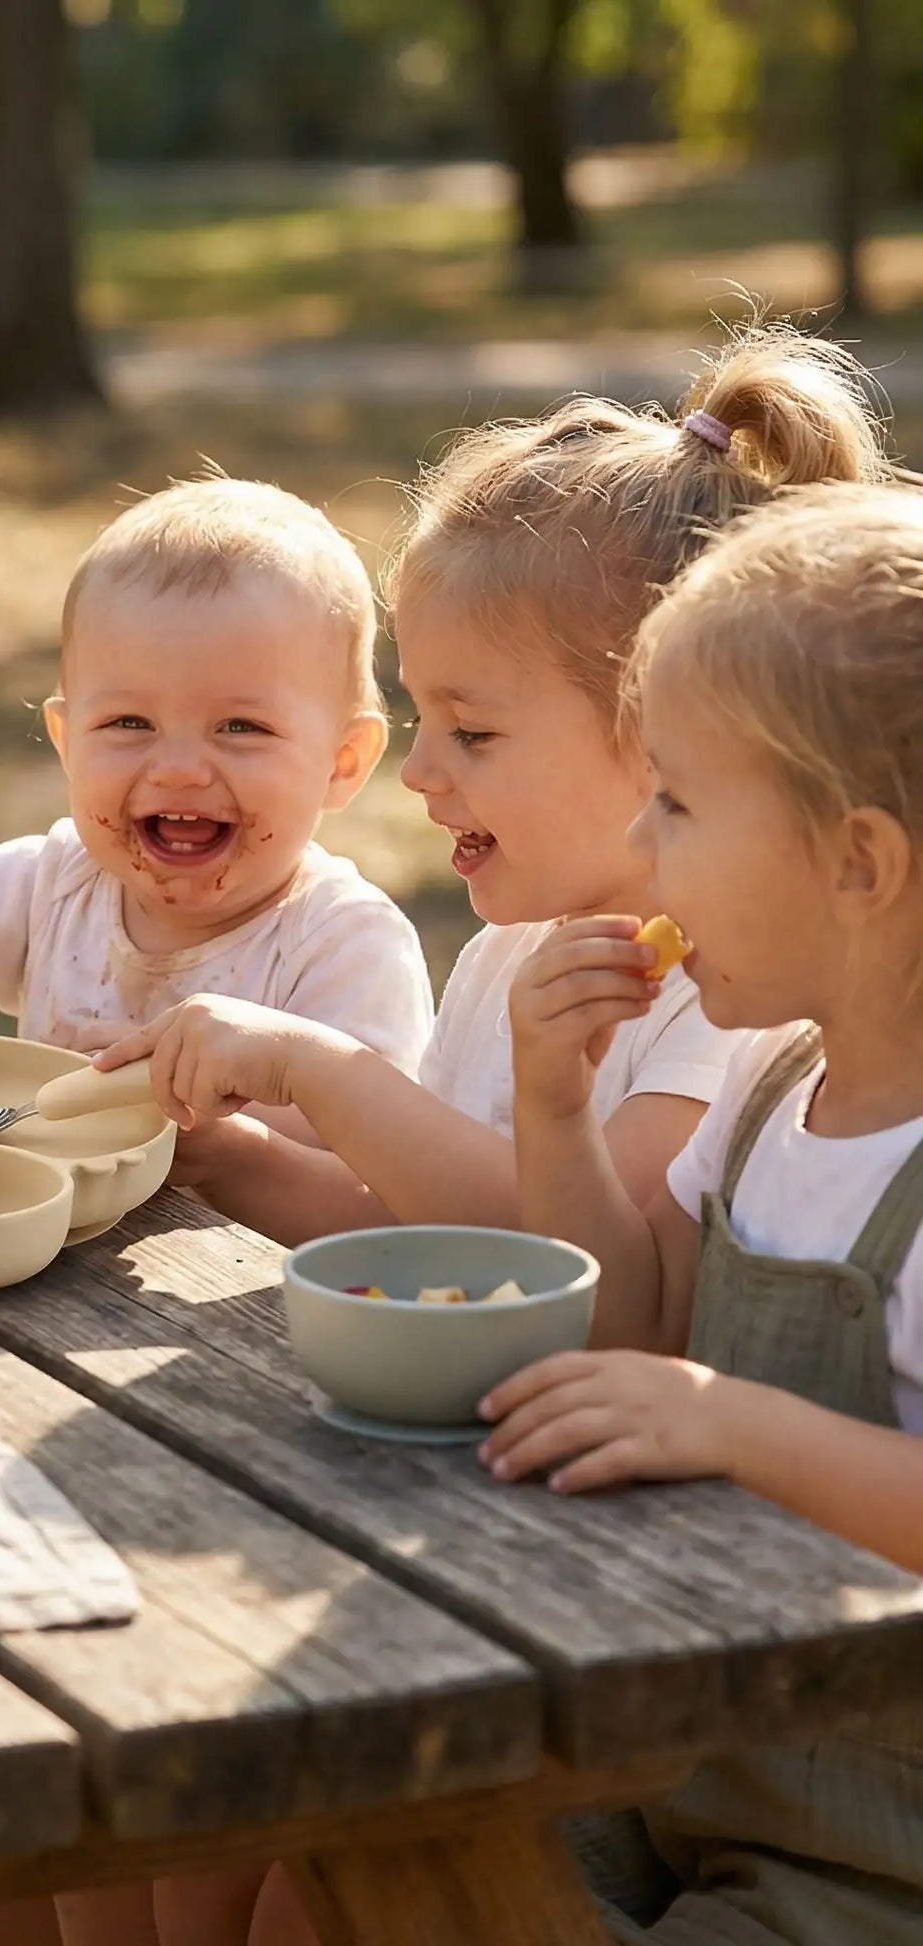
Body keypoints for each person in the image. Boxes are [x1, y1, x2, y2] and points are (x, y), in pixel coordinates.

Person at [96, 328, 893, 1245]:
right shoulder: (504, 956)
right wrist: (227, 1157)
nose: (421, 772)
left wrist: (321, 1069)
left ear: (662, 732)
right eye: (422, 721)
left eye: (472, 732)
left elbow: (567, 1256)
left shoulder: (728, 1003)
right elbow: (420, 1217)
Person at [477, 480, 923, 1942]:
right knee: (373, 1848)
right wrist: (554, 1110)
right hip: (686, 1758)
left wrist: (733, 1421)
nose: (639, 844)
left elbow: (693, 1394)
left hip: (871, 1857)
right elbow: (635, 1321)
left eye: (673, 800)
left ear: (856, 863)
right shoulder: (762, 1079)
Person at [0, 476, 433, 1129]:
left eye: (242, 727)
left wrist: (212, 1149)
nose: (179, 769)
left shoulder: (346, 950)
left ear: (342, 763)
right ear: (68, 741)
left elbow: (367, 1183)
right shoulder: (55, 886)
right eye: (129, 723)